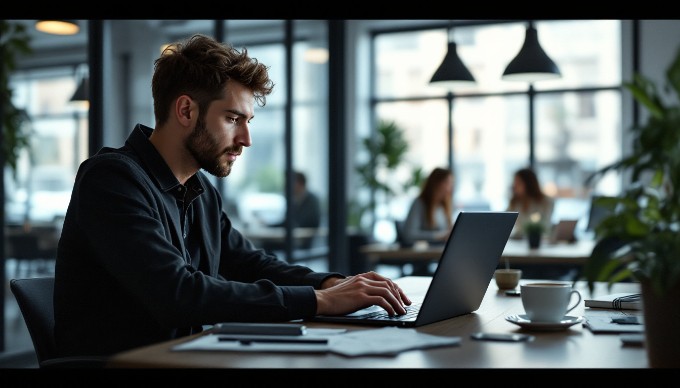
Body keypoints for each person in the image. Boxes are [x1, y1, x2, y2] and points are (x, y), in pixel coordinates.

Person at [53, 34, 410, 358]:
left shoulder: (199, 191)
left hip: (187, 357)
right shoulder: (111, 178)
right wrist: (320, 301)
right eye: (232, 119)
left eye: (248, 122)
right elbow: (177, 293)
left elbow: (249, 264)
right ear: (186, 110)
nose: (245, 140)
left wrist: (330, 283)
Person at [261, 171, 322, 252]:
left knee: (268, 246)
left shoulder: (312, 200)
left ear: (300, 183)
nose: (287, 185)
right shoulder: (292, 199)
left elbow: (309, 221)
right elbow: (287, 222)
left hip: (303, 240)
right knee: (266, 244)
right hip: (292, 237)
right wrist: (268, 225)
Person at [401, 167, 455, 246]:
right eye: (447, 183)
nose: (450, 188)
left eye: (451, 183)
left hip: (440, 250)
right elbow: (409, 234)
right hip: (423, 254)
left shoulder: (443, 206)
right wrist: (438, 236)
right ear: (436, 183)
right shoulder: (419, 203)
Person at [506, 167, 554, 239]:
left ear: (528, 184)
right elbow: (503, 223)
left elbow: (545, 226)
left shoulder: (546, 202)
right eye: (514, 182)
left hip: (539, 242)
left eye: (518, 183)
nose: (514, 186)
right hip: (519, 243)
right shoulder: (514, 202)